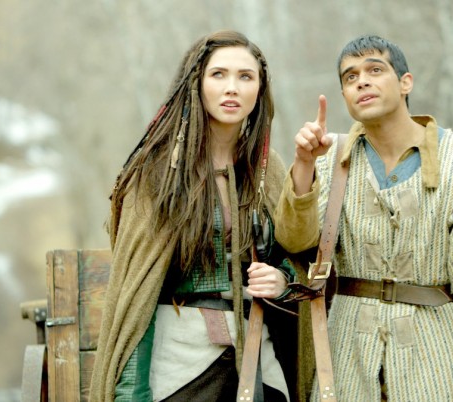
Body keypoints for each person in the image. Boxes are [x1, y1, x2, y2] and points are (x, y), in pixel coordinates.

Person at [273, 34, 453, 402]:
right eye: (350, 77)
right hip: (346, 363)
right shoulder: (330, 159)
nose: (361, 81)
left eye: (375, 70)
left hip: (437, 364)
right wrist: (304, 165)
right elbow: (294, 242)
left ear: (405, 83)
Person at [89, 30, 299, 402]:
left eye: (245, 76)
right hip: (181, 367)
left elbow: (294, 254)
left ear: (260, 89)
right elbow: (138, 292)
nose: (232, 87)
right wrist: (132, 394)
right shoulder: (157, 174)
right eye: (218, 74)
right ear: (196, 84)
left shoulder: (269, 169)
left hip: (258, 358)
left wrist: (283, 278)